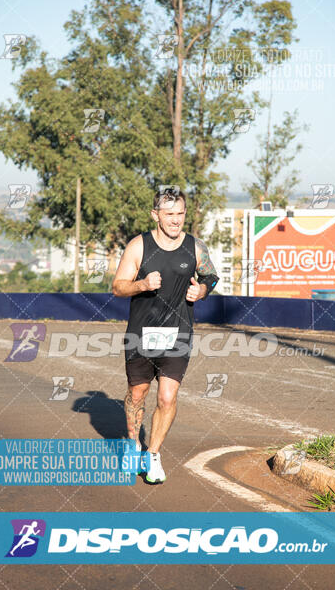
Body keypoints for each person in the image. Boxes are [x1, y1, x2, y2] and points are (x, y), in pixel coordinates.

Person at [112, 187, 219, 483]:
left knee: (167, 397)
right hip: (140, 334)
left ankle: (153, 454)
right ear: (155, 215)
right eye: (170, 214)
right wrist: (142, 285)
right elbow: (118, 287)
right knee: (138, 393)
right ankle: (134, 445)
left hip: (178, 334)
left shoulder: (195, 247)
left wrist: (203, 290)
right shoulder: (138, 246)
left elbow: (211, 275)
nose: (176, 220)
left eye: (181, 213)